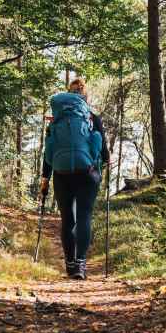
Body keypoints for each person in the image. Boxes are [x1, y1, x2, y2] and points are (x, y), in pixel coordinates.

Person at [40, 78, 110, 280]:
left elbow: (49, 153)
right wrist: (101, 166)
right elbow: (103, 153)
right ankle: (80, 264)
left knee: (67, 219)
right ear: (84, 96)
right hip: (87, 174)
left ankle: (70, 265)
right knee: (84, 216)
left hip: (62, 174)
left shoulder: (56, 121)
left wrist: (45, 180)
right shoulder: (92, 117)